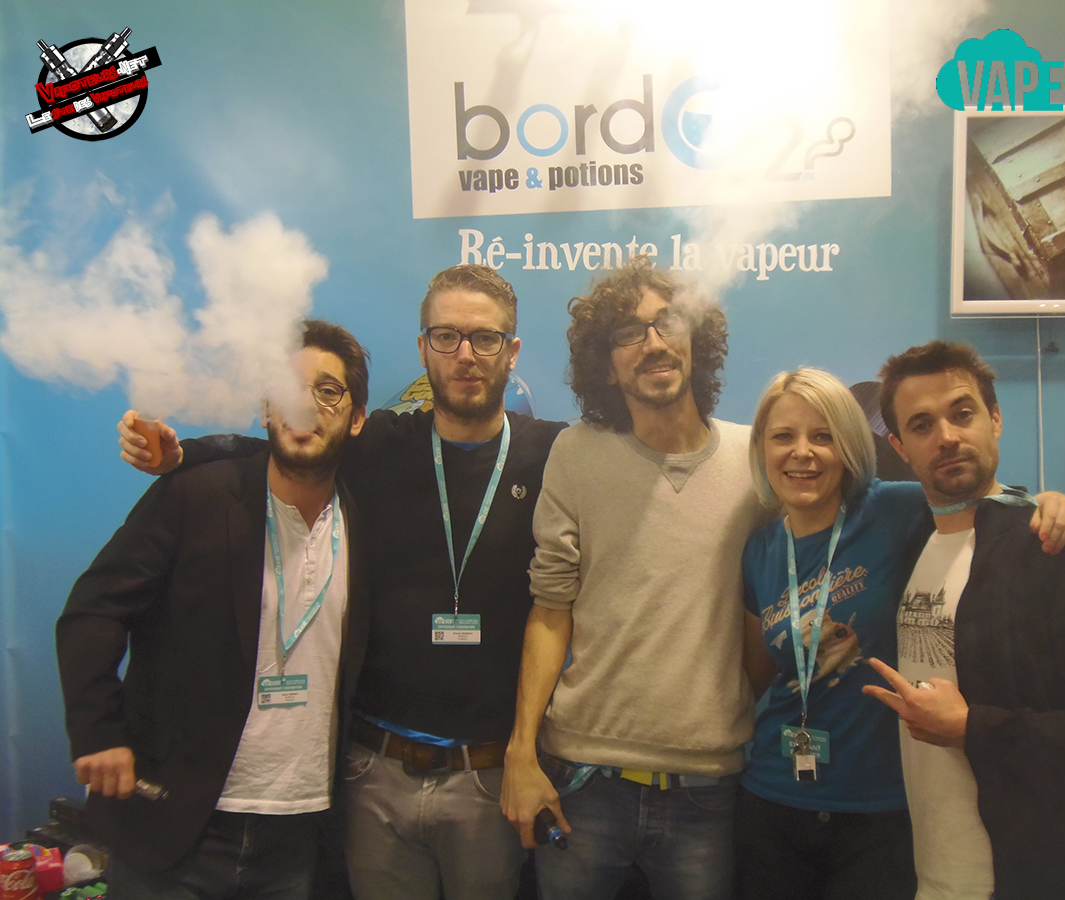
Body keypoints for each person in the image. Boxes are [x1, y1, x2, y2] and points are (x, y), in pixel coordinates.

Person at [118, 266, 565, 900]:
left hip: (491, 778)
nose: (465, 354)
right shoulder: (376, 440)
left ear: (511, 350)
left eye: (484, 338)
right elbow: (277, 443)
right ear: (423, 348)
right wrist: (185, 453)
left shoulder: (556, 455)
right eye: (446, 336)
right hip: (372, 773)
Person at [736, 367, 1065, 900]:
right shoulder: (760, 549)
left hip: (881, 807)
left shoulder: (896, 508)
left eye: (823, 436)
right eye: (783, 436)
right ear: (762, 448)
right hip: (772, 797)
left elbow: (987, 501)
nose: (802, 452)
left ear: (849, 447)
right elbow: (758, 675)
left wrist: (1047, 502)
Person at [58, 319, 370, 899]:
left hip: (300, 834)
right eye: (288, 389)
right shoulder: (196, 495)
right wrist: (97, 732)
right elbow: (92, 611)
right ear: (266, 408)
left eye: (328, 391)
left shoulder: (366, 517)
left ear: (356, 419)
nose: (304, 405)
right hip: (177, 826)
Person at [863, 340, 1065, 900]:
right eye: (922, 425)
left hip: (1027, 878)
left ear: (996, 419)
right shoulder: (911, 544)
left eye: (962, 413)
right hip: (931, 870)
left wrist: (972, 728)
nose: (947, 436)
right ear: (900, 447)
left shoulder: (1059, 549)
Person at [501, 258, 767, 900]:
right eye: (628, 333)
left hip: (709, 789)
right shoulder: (576, 453)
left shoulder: (756, 460)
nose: (652, 343)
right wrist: (521, 751)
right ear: (605, 365)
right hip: (584, 780)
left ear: (695, 339)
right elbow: (550, 609)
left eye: (667, 322)